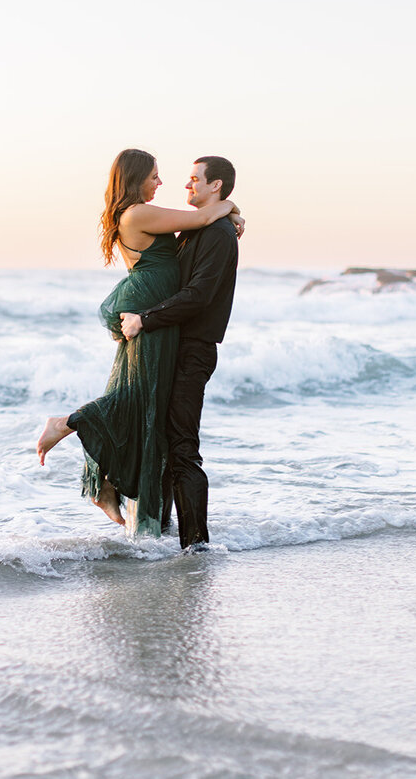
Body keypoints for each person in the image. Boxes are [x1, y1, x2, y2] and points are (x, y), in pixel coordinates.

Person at [36, 149, 241, 535]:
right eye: (155, 176)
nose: (171, 183)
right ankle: (68, 425)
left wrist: (229, 212)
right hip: (153, 322)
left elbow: (197, 285)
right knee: (141, 408)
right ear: (135, 177)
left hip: (169, 330)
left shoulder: (203, 230)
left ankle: (151, 526)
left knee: (153, 425)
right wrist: (230, 207)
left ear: (214, 184)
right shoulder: (146, 215)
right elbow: (199, 223)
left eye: (194, 178)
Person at [119, 156, 239, 550]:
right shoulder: (195, 230)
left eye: (194, 180)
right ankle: (165, 538)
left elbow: (198, 296)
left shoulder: (219, 234)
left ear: (215, 186)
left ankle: (197, 548)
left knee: (183, 450)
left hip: (193, 351)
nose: (186, 186)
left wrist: (145, 320)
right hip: (173, 344)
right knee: (165, 444)